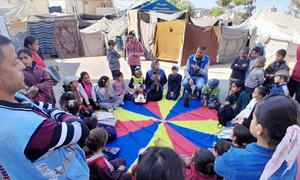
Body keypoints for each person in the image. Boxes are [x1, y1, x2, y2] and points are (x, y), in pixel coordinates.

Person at [0, 35, 89, 179]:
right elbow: (80, 129)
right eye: (15, 62)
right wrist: (59, 117)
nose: (22, 66)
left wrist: (54, 116)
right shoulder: (24, 127)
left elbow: (44, 106)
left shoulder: (16, 97)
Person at [214, 95, 300, 179]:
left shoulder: (234, 159)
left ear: (259, 129)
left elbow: (218, 165)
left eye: (253, 117)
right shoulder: (292, 160)